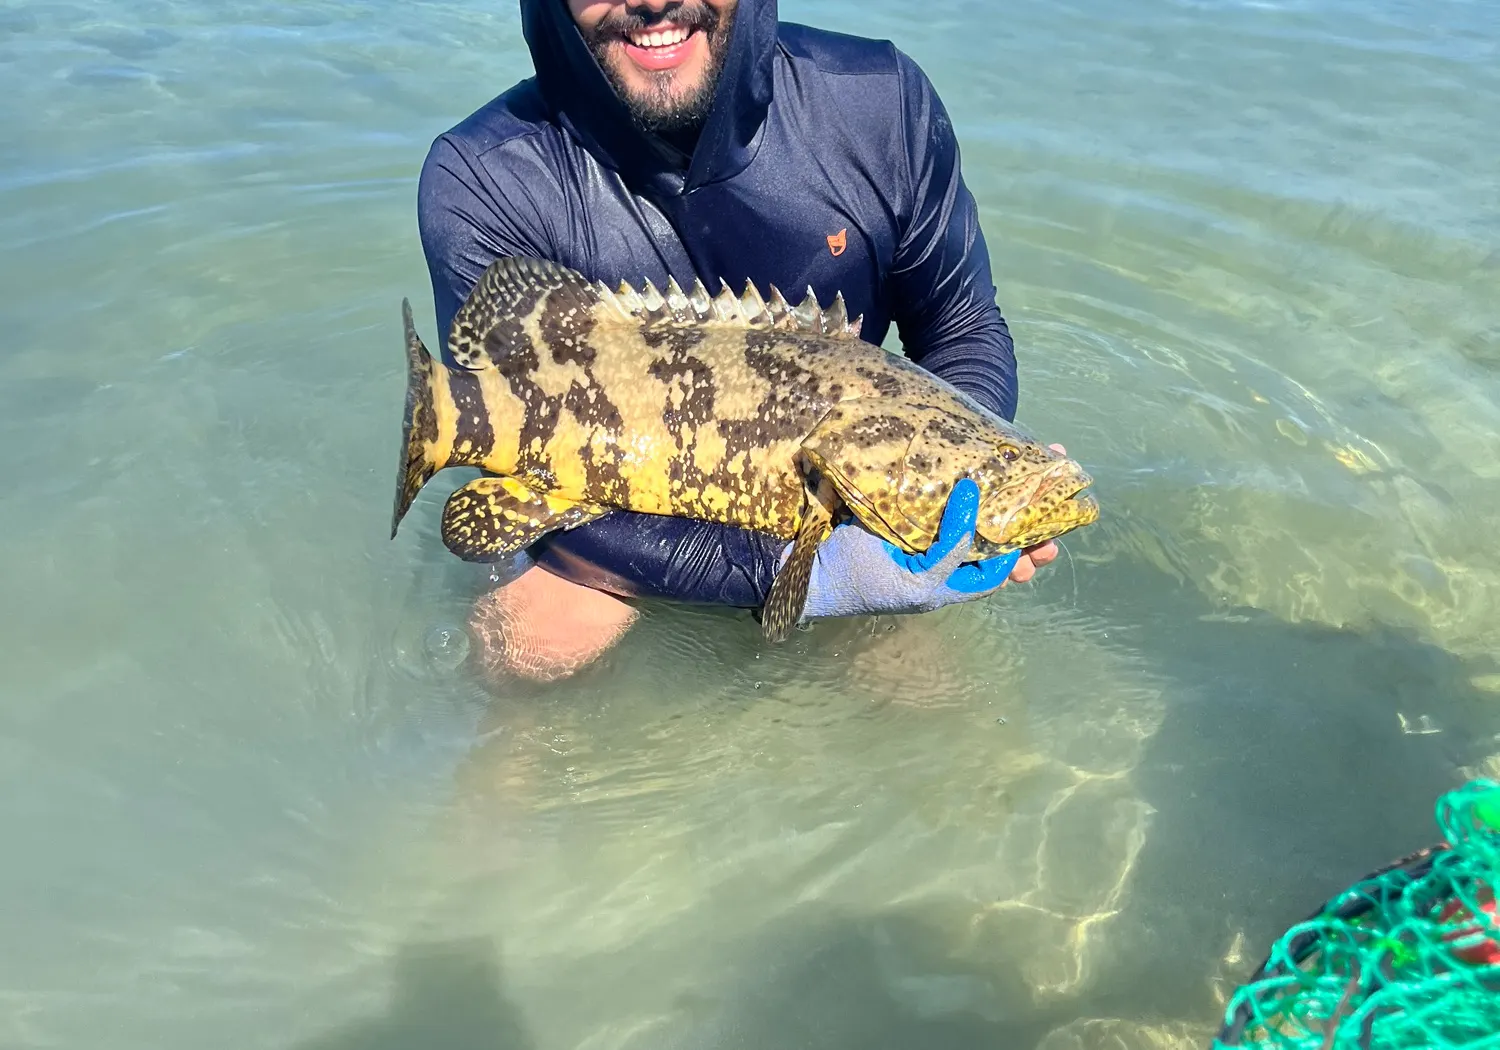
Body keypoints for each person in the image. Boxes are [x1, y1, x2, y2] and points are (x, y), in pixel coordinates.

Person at [416, 0, 1060, 681]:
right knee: (530, 642)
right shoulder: (485, 176)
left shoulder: (881, 102)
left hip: (842, 511)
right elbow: (502, 432)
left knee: (929, 687)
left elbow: (961, 326)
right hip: (610, 531)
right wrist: (793, 576)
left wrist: (956, 491)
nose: (651, 1)